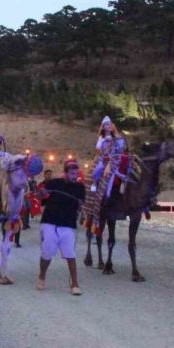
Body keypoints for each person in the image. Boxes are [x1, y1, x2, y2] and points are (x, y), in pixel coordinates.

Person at [36, 159, 86, 296]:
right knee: (47, 252)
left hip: (68, 224)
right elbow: (42, 197)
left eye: (76, 172)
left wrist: (83, 214)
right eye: (71, 172)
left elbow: (81, 203)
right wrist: (40, 193)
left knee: (70, 254)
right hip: (50, 221)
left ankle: (75, 284)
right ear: (65, 172)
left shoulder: (80, 188)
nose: (74, 175)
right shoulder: (54, 183)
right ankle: (42, 276)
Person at [90, 116, 124, 192]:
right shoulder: (101, 138)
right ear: (103, 127)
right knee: (99, 168)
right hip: (104, 158)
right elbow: (99, 149)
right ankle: (95, 182)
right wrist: (105, 141)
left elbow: (120, 149)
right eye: (107, 125)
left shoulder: (117, 136)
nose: (109, 126)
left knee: (110, 167)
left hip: (114, 158)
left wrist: (115, 141)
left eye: (110, 124)